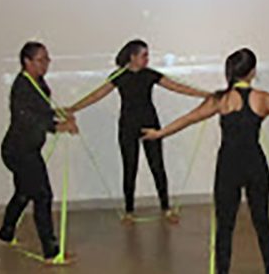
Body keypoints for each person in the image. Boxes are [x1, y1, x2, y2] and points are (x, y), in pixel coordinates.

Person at [142, 48, 269, 273]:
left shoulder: (221, 99)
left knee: (225, 226)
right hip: (255, 165)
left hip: (228, 166)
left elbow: (188, 119)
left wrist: (160, 133)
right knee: (262, 222)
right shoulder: (262, 98)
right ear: (252, 72)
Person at [67, 39, 210, 224]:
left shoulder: (150, 75)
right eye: (144, 55)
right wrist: (73, 108)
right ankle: (129, 212)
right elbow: (96, 95)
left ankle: (166, 208)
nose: (147, 59)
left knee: (157, 167)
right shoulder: (119, 76)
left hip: (150, 124)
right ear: (133, 57)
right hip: (128, 126)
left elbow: (178, 87)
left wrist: (206, 95)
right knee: (130, 168)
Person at [0, 42, 78, 261]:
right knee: (42, 195)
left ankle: (5, 233)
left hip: (27, 149)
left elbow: (41, 112)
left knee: (24, 193)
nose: (46, 64)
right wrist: (59, 126)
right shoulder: (22, 87)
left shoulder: (38, 82)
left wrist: (61, 113)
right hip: (19, 151)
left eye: (47, 59)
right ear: (27, 62)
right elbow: (27, 118)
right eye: (41, 60)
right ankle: (51, 252)